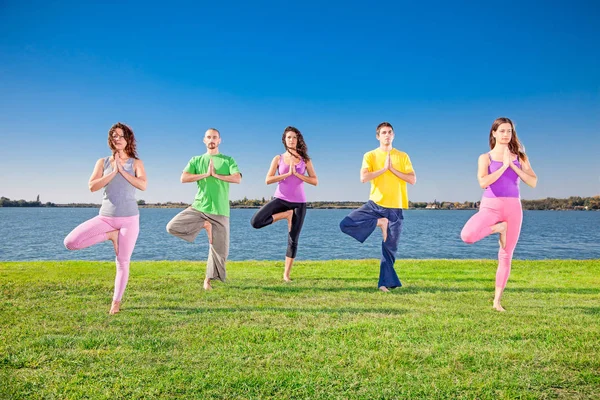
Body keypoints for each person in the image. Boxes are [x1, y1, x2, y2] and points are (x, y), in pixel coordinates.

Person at [64, 122, 147, 314]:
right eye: (114, 135)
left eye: (121, 135)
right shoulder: (102, 162)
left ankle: (116, 303)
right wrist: (113, 171)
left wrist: (123, 171)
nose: (117, 138)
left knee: (123, 262)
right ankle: (111, 235)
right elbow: (92, 186)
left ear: (128, 139)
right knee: (71, 242)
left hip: (129, 219)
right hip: (106, 218)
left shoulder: (136, 163)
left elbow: (143, 185)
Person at [460, 117, 537, 312]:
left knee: (505, 255)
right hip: (491, 206)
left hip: (513, 208)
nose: (506, 134)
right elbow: (483, 182)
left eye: (509, 131)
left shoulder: (520, 157)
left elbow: (533, 182)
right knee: (467, 235)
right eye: (502, 131)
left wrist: (512, 165)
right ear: (494, 133)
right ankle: (499, 228)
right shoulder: (485, 157)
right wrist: (503, 166)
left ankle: (497, 301)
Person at [339, 122, 416, 292]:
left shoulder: (403, 156)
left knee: (390, 248)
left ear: (393, 135)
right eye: (383, 132)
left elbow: (412, 179)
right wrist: (383, 169)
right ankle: (380, 222)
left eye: (389, 132)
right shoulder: (370, 155)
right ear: (378, 136)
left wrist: (392, 169)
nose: (387, 135)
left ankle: (384, 284)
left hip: (395, 208)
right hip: (375, 205)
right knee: (346, 224)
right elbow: (363, 177)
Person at [166, 128, 241, 290]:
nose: (212, 140)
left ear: (219, 140)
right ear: (204, 140)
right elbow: (184, 178)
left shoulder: (228, 160)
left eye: (215, 137)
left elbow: (237, 178)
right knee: (172, 226)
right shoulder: (196, 160)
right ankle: (204, 224)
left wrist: (216, 175)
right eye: (209, 137)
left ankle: (207, 280)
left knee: (220, 251)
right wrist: (205, 174)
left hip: (220, 210)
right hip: (199, 207)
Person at [250, 126, 318, 281]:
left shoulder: (305, 160)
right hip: (280, 199)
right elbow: (268, 179)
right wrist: (287, 174)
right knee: (256, 221)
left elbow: (314, 181)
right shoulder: (278, 158)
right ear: (284, 140)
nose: (292, 140)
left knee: (293, 239)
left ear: (298, 139)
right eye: (289, 137)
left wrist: (299, 175)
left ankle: (286, 275)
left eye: (294, 137)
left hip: (299, 203)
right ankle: (286, 215)